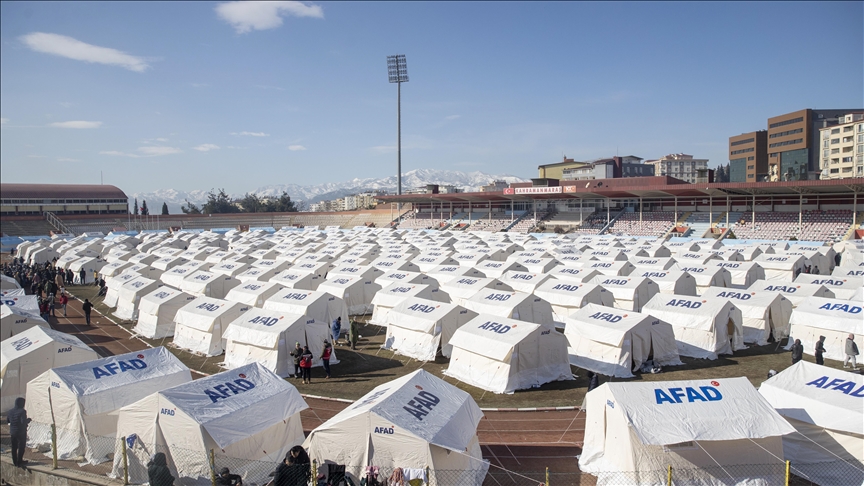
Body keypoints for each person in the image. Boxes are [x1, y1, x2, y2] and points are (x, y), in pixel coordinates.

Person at [7, 397, 32, 468]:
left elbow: (8, 421)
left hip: (13, 431)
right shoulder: (22, 411)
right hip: (21, 432)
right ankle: (19, 461)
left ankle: (15, 461)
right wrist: (28, 420)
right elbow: (23, 422)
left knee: (14, 447)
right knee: (21, 447)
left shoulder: (10, 411)